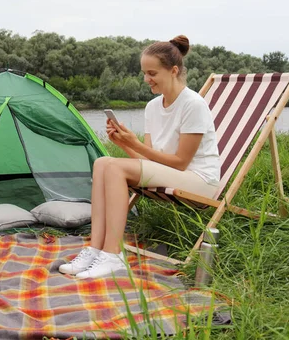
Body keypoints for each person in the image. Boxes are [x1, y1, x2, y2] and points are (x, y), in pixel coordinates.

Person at [59, 35, 220, 279]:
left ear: (174, 70)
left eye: (152, 73)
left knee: (112, 168)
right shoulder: (153, 107)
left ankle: (113, 255)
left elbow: (180, 162)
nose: (147, 79)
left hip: (198, 180)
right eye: (145, 73)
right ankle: (96, 248)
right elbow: (150, 163)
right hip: (173, 173)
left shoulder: (193, 105)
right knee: (103, 162)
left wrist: (133, 143)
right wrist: (123, 143)